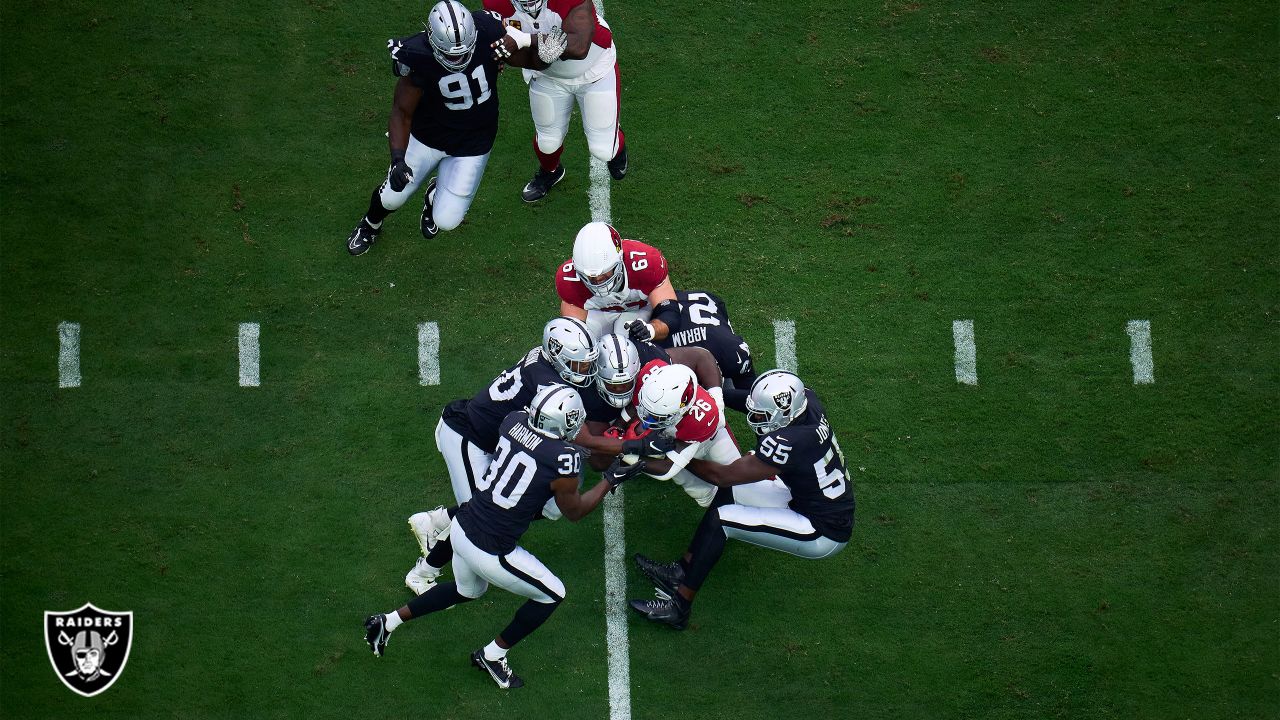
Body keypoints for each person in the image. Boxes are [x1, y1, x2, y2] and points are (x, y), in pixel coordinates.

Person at [364, 385, 643, 689]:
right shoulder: (563, 459)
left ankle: (387, 621)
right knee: (552, 594)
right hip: (491, 548)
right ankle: (493, 655)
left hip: (462, 526)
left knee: (467, 591)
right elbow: (574, 512)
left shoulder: (514, 421)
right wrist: (609, 481)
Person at [628, 370, 856, 630]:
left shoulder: (790, 441)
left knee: (722, 519)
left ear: (784, 415)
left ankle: (679, 608)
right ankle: (681, 570)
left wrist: (675, 451)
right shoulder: (806, 404)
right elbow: (743, 400)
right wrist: (699, 400)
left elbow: (723, 476)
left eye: (762, 416)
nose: (755, 419)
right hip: (808, 498)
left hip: (821, 529)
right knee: (730, 495)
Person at [402, 316, 602, 594]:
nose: (586, 370)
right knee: (476, 517)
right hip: (467, 436)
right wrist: (628, 446)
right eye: (580, 363)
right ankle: (422, 573)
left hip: (493, 438)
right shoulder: (549, 384)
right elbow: (583, 437)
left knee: (520, 504)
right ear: (557, 355)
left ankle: (436, 521)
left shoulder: (543, 360)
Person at [346, 1, 505, 256]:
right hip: (427, 137)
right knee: (392, 197)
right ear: (433, 42)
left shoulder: (487, 29)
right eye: (450, 54)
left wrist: (531, 47)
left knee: (447, 220)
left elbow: (523, 52)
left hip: (473, 143)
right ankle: (370, 224)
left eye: (463, 51)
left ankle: (434, 194)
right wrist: (397, 159)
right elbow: (401, 111)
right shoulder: (418, 56)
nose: (458, 58)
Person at [484, 0, 627, 202]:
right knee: (547, 143)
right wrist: (541, 56)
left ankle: (617, 142)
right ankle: (551, 171)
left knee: (604, 149)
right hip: (548, 77)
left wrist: (526, 39)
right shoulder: (496, 4)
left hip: (595, 70)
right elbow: (512, 55)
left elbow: (579, 47)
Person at [555, 222, 679, 341]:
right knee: (579, 338)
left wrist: (651, 329)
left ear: (620, 259)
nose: (598, 281)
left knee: (628, 345)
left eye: (604, 274)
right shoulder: (569, 280)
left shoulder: (646, 264)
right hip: (599, 313)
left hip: (639, 309)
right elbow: (574, 331)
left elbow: (670, 314)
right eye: (590, 277)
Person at [656, 290, 757, 406]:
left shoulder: (734, 355)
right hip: (667, 302)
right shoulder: (664, 358)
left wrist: (719, 397)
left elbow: (753, 399)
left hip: (707, 304)